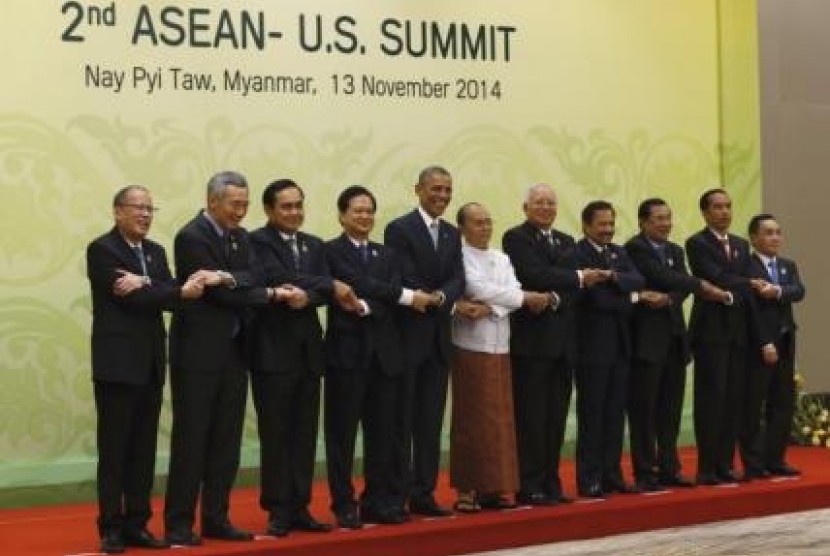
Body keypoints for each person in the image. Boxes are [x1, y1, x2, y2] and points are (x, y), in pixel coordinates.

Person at [165, 171, 282, 546]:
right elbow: (224, 296)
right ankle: (180, 523)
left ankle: (217, 517)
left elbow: (256, 274)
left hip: (234, 352)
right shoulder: (190, 237)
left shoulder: (241, 236)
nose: (241, 212)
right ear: (213, 201)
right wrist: (252, 288)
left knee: (226, 441)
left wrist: (227, 277)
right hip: (197, 355)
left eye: (245, 204)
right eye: (235, 204)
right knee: (192, 440)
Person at [87, 185, 204, 554]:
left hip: (151, 363)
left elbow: (168, 294)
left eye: (150, 208)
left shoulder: (154, 252)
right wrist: (158, 289)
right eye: (138, 208)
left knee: (143, 449)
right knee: (115, 449)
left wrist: (149, 282)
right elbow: (133, 296)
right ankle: (110, 528)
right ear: (117, 211)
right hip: (117, 365)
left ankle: (137, 523)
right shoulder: (102, 249)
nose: (145, 215)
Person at [249, 179, 353, 537]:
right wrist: (323, 286)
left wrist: (310, 296)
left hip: (309, 353)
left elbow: (323, 287)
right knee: (276, 434)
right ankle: (277, 509)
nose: (294, 212)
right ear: (269, 210)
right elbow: (274, 276)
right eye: (286, 206)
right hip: (272, 354)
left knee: (305, 434)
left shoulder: (314, 244)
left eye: (298, 205)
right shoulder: (257, 241)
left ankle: (301, 506)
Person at [450, 202, 550, 512]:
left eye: (488, 221)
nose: (485, 228)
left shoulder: (502, 258)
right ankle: (467, 489)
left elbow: (510, 290)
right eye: (478, 223)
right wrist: (520, 298)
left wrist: (494, 306)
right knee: (471, 419)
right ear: (463, 228)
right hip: (470, 345)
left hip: (501, 344)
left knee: (499, 419)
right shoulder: (458, 257)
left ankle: (494, 488)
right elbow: (475, 287)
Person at [501, 184, 598, 506]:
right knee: (531, 417)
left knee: (556, 416)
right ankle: (530, 484)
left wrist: (559, 291)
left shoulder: (567, 241)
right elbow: (532, 274)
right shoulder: (516, 238)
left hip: (564, 344)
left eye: (550, 203)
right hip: (531, 345)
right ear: (525, 207)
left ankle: (551, 481)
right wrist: (573, 278)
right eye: (539, 203)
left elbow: (573, 288)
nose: (545, 208)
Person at [625, 198, 728, 492]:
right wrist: (698, 285)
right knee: (644, 410)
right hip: (647, 341)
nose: (666, 223)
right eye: (659, 218)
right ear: (643, 222)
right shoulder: (635, 248)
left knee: (670, 410)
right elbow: (659, 276)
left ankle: (670, 468)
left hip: (674, 338)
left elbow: (678, 286)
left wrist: (671, 297)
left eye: (668, 218)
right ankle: (646, 472)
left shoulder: (675, 250)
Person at [323, 185, 407, 528]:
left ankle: (378, 500)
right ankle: (343, 503)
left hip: (384, 357)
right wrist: (382, 296)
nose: (364, 217)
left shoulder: (388, 255)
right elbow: (346, 287)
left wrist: (365, 304)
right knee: (341, 435)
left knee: (382, 433)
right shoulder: (328, 252)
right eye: (357, 211)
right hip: (346, 355)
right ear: (342, 215)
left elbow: (388, 300)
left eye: (369, 211)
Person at [384, 165, 465, 517]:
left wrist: (441, 299)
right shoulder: (399, 229)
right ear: (418, 189)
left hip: (439, 341)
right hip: (407, 339)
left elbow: (458, 278)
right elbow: (402, 274)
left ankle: (424, 493)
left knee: (430, 424)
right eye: (436, 189)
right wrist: (428, 297)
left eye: (448, 190)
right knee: (402, 422)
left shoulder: (451, 233)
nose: (442, 196)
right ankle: (397, 495)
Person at [574, 200, 644, 498]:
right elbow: (595, 301)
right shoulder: (577, 253)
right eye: (602, 224)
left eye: (611, 224)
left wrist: (614, 279)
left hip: (621, 346)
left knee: (616, 414)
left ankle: (612, 474)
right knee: (593, 414)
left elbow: (638, 279)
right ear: (587, 225)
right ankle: (589, 477)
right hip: (591, 347)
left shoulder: (619, 252)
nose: (608, 230)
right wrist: (628, 296)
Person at [685, 188, 754, 485]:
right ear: (705, 212)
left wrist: (741, 287)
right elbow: (714, 277)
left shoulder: (740, 244)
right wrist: (748, 283)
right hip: (710, 333)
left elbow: (735, 284)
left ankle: (726, 464)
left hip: (738, 331)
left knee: (733, 399)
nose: (724, 212)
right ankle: (707, 467)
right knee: (711, 399)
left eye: (728, 206)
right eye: (717, 207)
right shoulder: (697, 243)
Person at [741, 214, 805, 477]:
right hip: (760, 343)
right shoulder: (746, 266)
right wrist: (764, 341)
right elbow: (750, 309)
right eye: (768, 233)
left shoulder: (787, 265)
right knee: (754, 404)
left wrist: (777, 291)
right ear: (754, 238)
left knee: (783, 402)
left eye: (778, 232)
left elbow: (798, 290)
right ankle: (754, 464)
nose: (775, 237)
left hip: (786, 340)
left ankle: (775, 459)